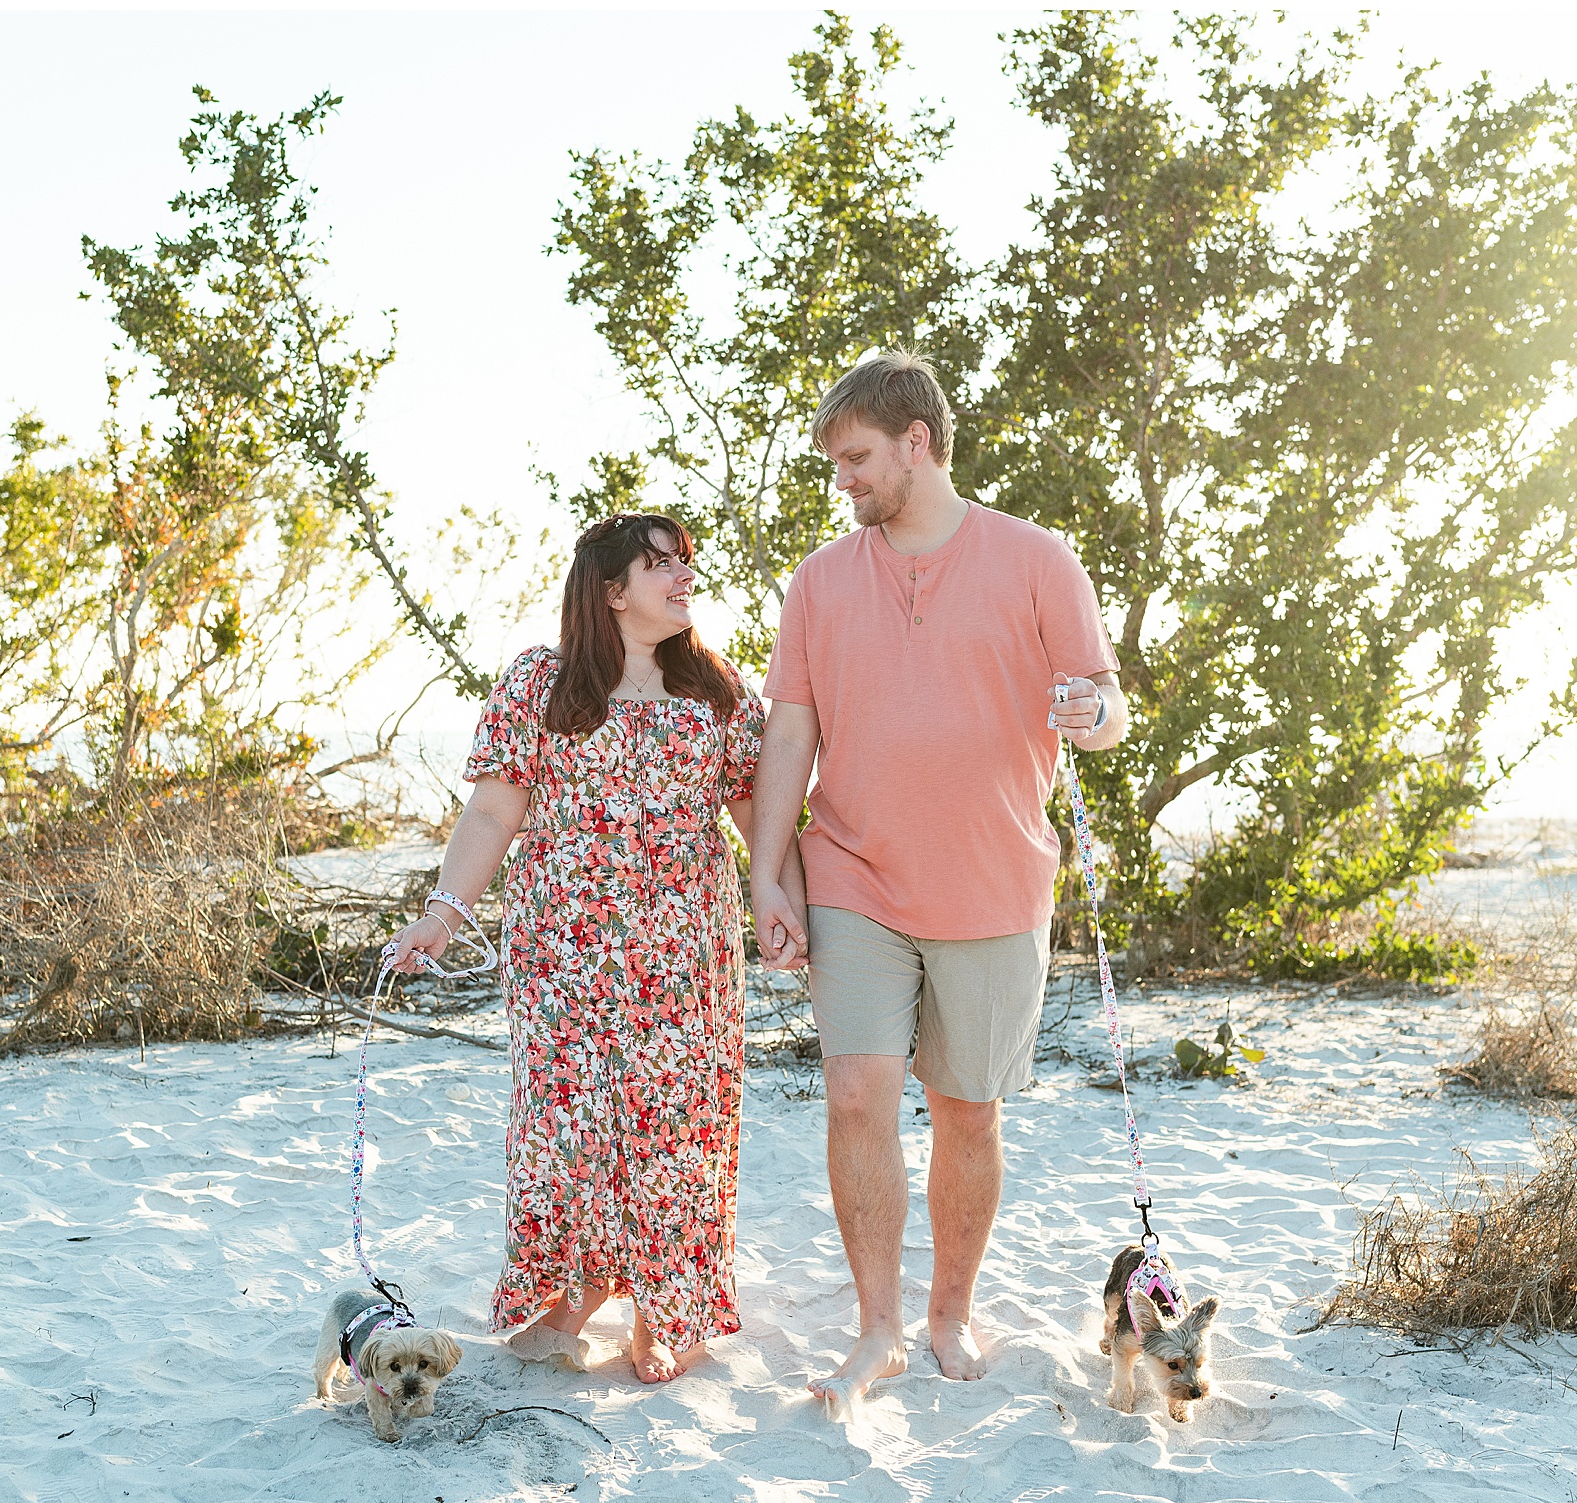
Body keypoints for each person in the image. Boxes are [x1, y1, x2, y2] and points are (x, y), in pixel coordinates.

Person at [747, 350, 1129, 1415]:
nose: (845, 480)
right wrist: (768, 872)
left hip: (994, 883)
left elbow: (1104, 701)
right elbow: (791, 732)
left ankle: (948, 1312)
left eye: (858, 458)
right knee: (857, 1091)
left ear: (919, 443)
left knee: (966, 1110)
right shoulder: (820, 581)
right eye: (836, 463)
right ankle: (878, 1323)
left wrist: (1096, 717)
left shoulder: (1039, 560)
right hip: (854, 874)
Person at [387, 512, 807, 1384]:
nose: (684, 578)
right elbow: (496, 811)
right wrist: (442, 913)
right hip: (563, 954)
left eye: (686, 564)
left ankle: (664, 1307)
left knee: (678, 1129)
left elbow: (759, 821)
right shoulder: (540, 682)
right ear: (612, 592)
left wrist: (787, 907)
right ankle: (569, 1297)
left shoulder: (716, 693)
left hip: (683, 958)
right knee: (565, 1128)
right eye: (662, 567)